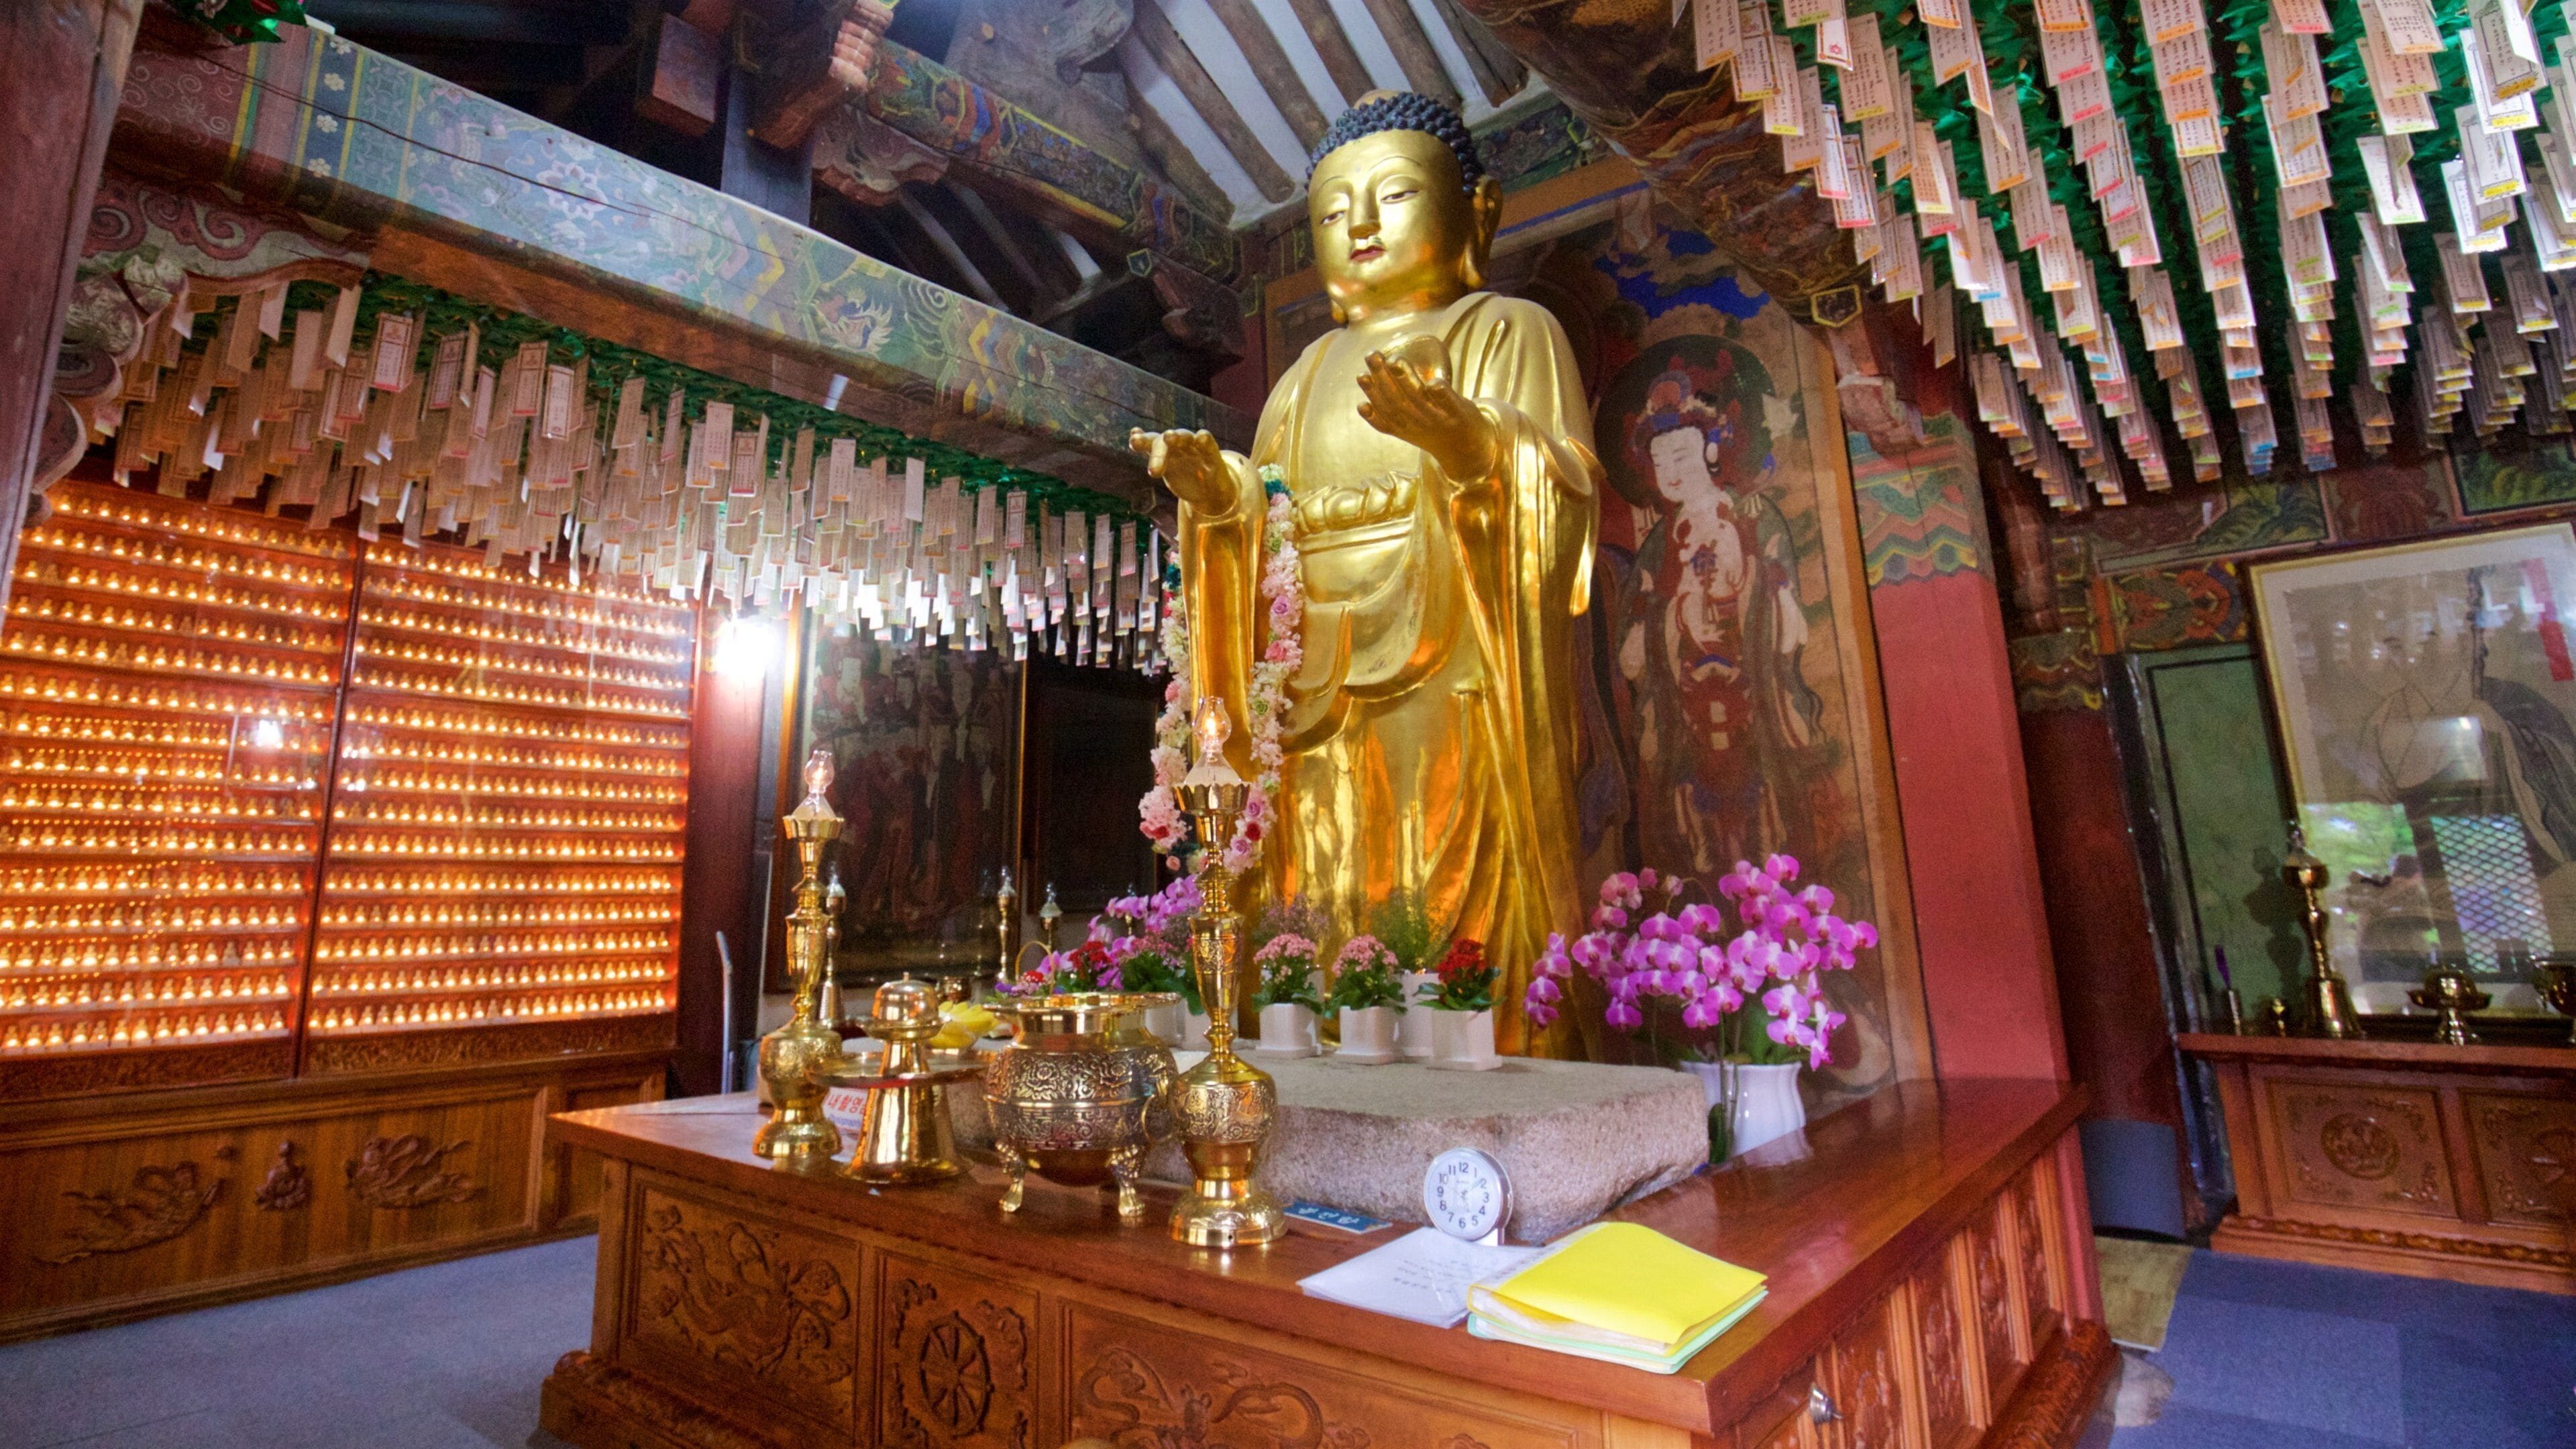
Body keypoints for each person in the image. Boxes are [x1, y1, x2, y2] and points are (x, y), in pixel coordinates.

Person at [1130, 92, 1600, 1053]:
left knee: (1442, 865)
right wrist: (1217, 502)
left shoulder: (1505, 331)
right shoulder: (1303, 378)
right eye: (1336, 211)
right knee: (1319, 866)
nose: (1364, 225)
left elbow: (1565, 489)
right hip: (1310, 676)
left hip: (1456, 654)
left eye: (1394, 196)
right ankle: (1316, 1031)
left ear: (1480, 212)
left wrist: (1473, 443)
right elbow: (1267, 518)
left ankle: (1475, 1039)